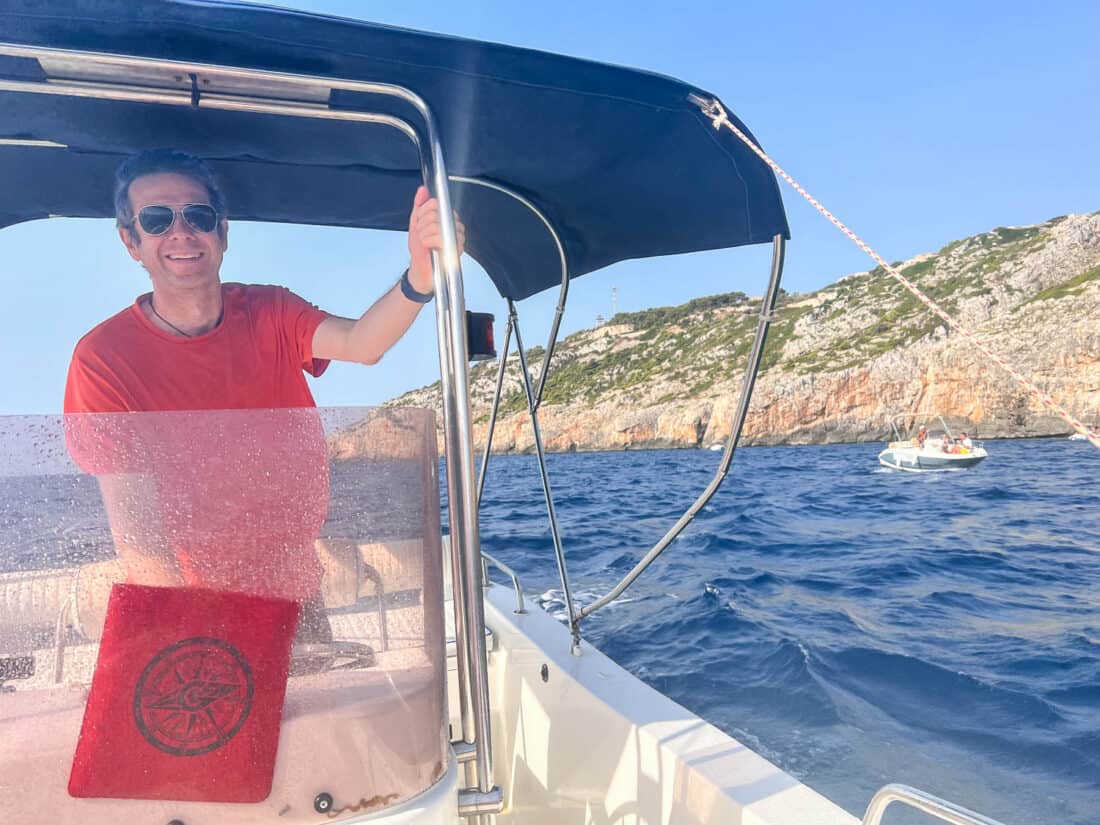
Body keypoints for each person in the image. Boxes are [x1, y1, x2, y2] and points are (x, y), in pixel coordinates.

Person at [63, 149, 465, 637]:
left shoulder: (270, 310)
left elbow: (363, 344)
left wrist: (421, 280)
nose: (181, 232)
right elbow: (140, 541)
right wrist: (198, 642)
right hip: (187, 612)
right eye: (156, 219)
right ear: (131, 241)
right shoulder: (102, 359)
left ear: (223, 231)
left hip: (297, 597)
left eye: (198, 216)